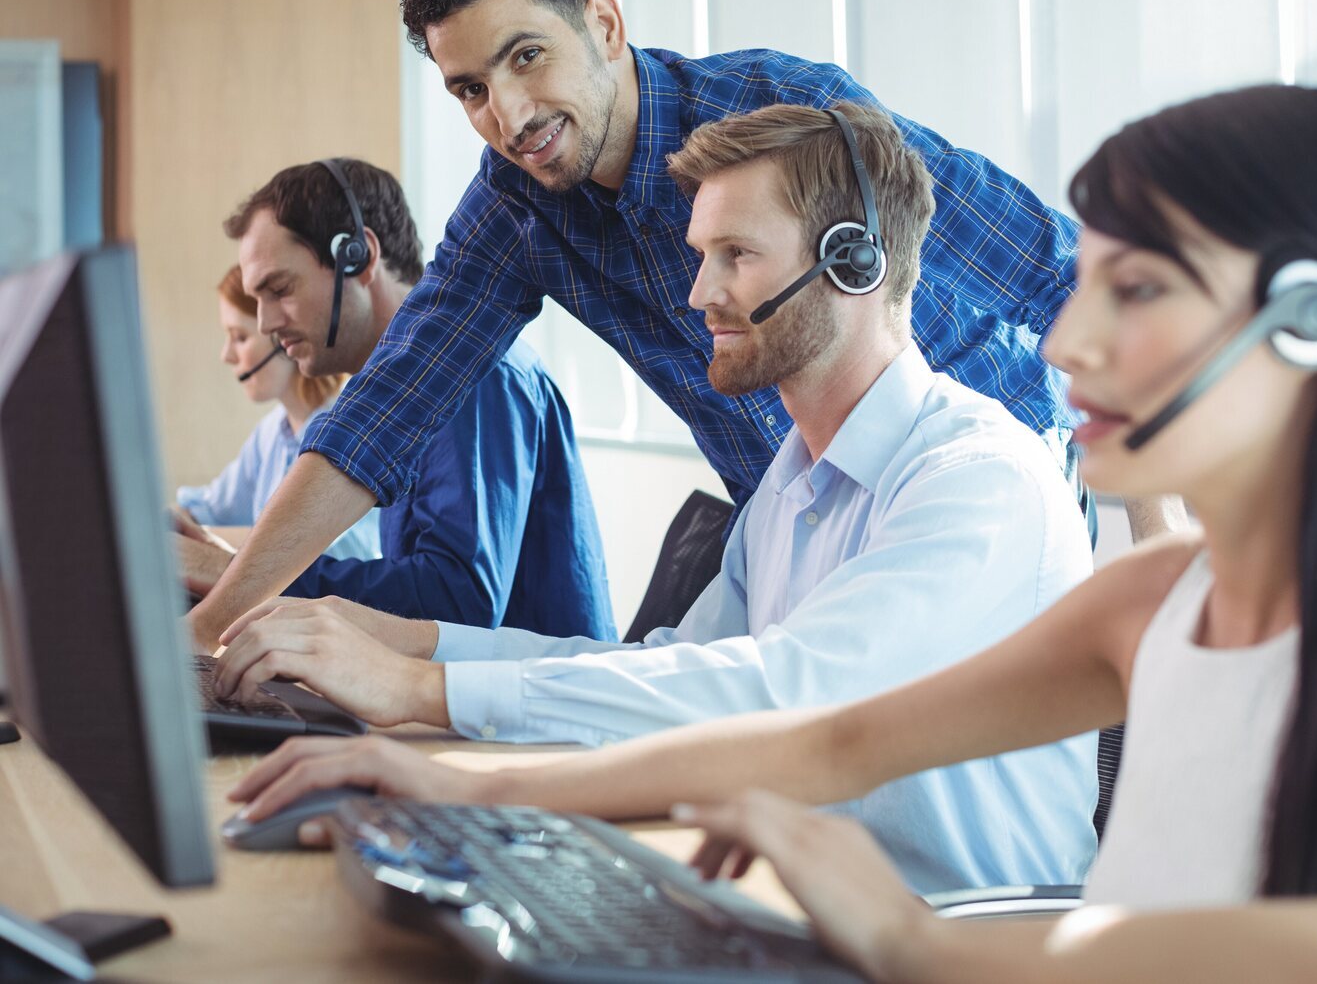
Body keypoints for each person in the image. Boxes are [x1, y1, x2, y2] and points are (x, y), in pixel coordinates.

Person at [229, 87, 1317, 980]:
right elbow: (821, 736)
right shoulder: (1157, 591)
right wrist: (431, 772)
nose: (1064, 342)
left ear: (1315, 318)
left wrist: (917, 945)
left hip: (953, 935)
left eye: (1142, 288)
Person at [185, 0, 1184, 647]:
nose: (508, 115)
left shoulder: (784, 115)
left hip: (963, 487)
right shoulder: (516, 205)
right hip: (786, 510)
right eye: (472, 91)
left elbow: (1053, 269)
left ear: (606, 26)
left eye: (528, 58)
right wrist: (215, 628)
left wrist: (1154, 524)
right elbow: (387, 412)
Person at [213, 102, 1100, 894]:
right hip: (805, 910)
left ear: (854, 262)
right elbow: (670, 663)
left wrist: (426, 692)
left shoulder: (979, 480)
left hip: (954, 936)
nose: (696, 293)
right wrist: (411, 645)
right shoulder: (791, 480)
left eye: (736, 256)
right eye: (701, 255)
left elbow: (788, 695)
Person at [176, 158, 614, 642]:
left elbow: (458, 601)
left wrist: (239, 578)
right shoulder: (381, 400)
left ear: (359, 259)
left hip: (525, 706)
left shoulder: (471, 370)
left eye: (279, 289)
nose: (265, 323)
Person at [172, 264, 382, 562]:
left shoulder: (346, 427)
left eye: (240, 337)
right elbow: (209, 508)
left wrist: (189, 545)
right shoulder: (271, 432)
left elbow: (298, 547)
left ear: (282, 340)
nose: (227, 355)